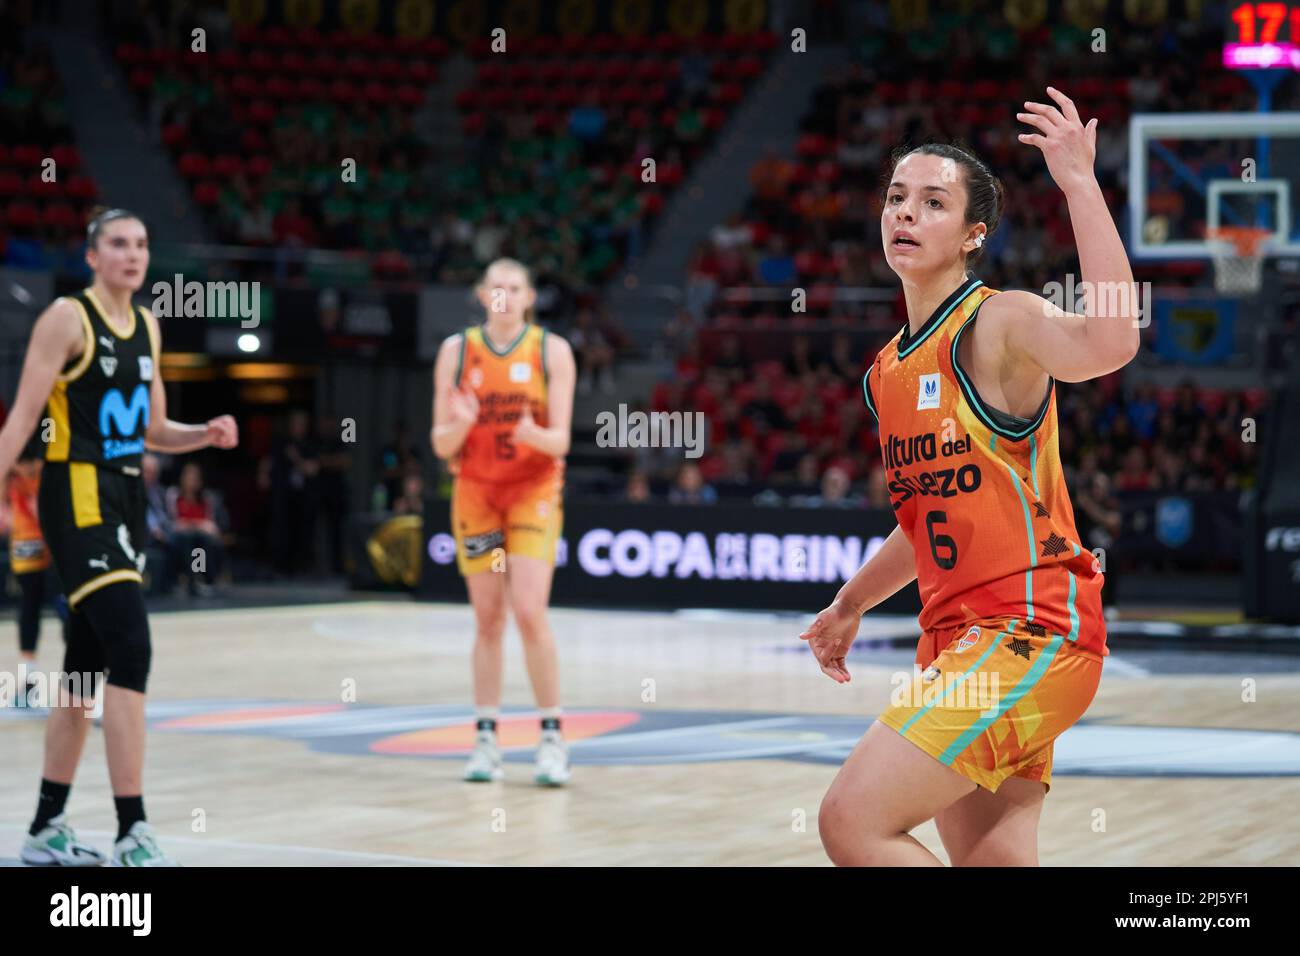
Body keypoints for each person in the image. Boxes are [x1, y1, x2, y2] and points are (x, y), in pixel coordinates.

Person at [800, 89, 1139, 866]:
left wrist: (1080, 185)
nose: (905, 214)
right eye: (895, 198)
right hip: (956, 642)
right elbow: (926, 518)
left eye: (932, 202)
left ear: (973, 234)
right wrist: (849, 603)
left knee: (851, 822)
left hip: (1027, 634)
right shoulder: (886, 370)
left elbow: (1114, 340)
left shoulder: (1001, 321)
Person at [0, 207, 239, 866]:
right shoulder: (66, 319)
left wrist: (204, 433)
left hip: (127, 496)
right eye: (118, 244)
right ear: (91, 256)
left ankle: (45, 828)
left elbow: (153, 428)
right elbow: (22, 419)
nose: (132, 254)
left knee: (83, 669)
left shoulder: (150, 327)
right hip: (74, 494)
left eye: (140, 244)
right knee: (131, 644)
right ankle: (133, 828)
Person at [431, 257, 576, 786]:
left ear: (530, 297)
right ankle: (486, 738)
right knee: (488, 618)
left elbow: (560, 440)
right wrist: (463, 423)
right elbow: (440, 442)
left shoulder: (550, 349)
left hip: (532, 492)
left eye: (515, 288)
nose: (505, 296)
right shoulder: (456, 351)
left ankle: (553, 736)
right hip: (476, 495)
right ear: (480, 293)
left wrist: (530, 434)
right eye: (496, 287)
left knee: (529, 610)